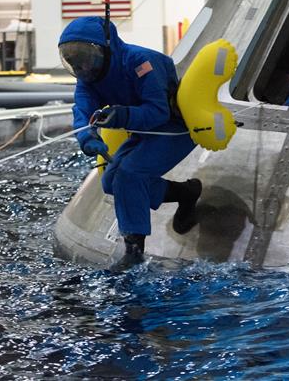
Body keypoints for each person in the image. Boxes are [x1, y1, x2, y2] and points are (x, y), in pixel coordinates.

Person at [58, 16, 201, 270]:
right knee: (111, 180)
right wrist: (87, 137)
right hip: (143, 130)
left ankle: (134, 251)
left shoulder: (141, 62)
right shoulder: (88, 78)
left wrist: (123, 115)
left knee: (129, 175)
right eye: (74, 61)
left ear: (105, 48)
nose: (82, 67)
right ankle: (186, 193)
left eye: (85, 56)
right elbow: (83, 110)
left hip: (175, 129)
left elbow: (159, 111)